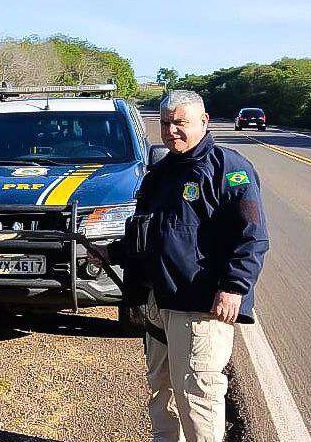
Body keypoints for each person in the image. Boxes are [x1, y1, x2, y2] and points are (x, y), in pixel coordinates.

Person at [92, 90, 269, 442]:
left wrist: (234, 286)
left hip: (201, 305)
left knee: (198, 397)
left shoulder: (230, 170)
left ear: (204, 122)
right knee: (162, 391)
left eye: (180, 122)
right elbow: (151, 233)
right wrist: (112, 252)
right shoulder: (161, 172)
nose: (172, 130)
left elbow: (253, 236)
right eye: (165, 123)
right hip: (160, 301)